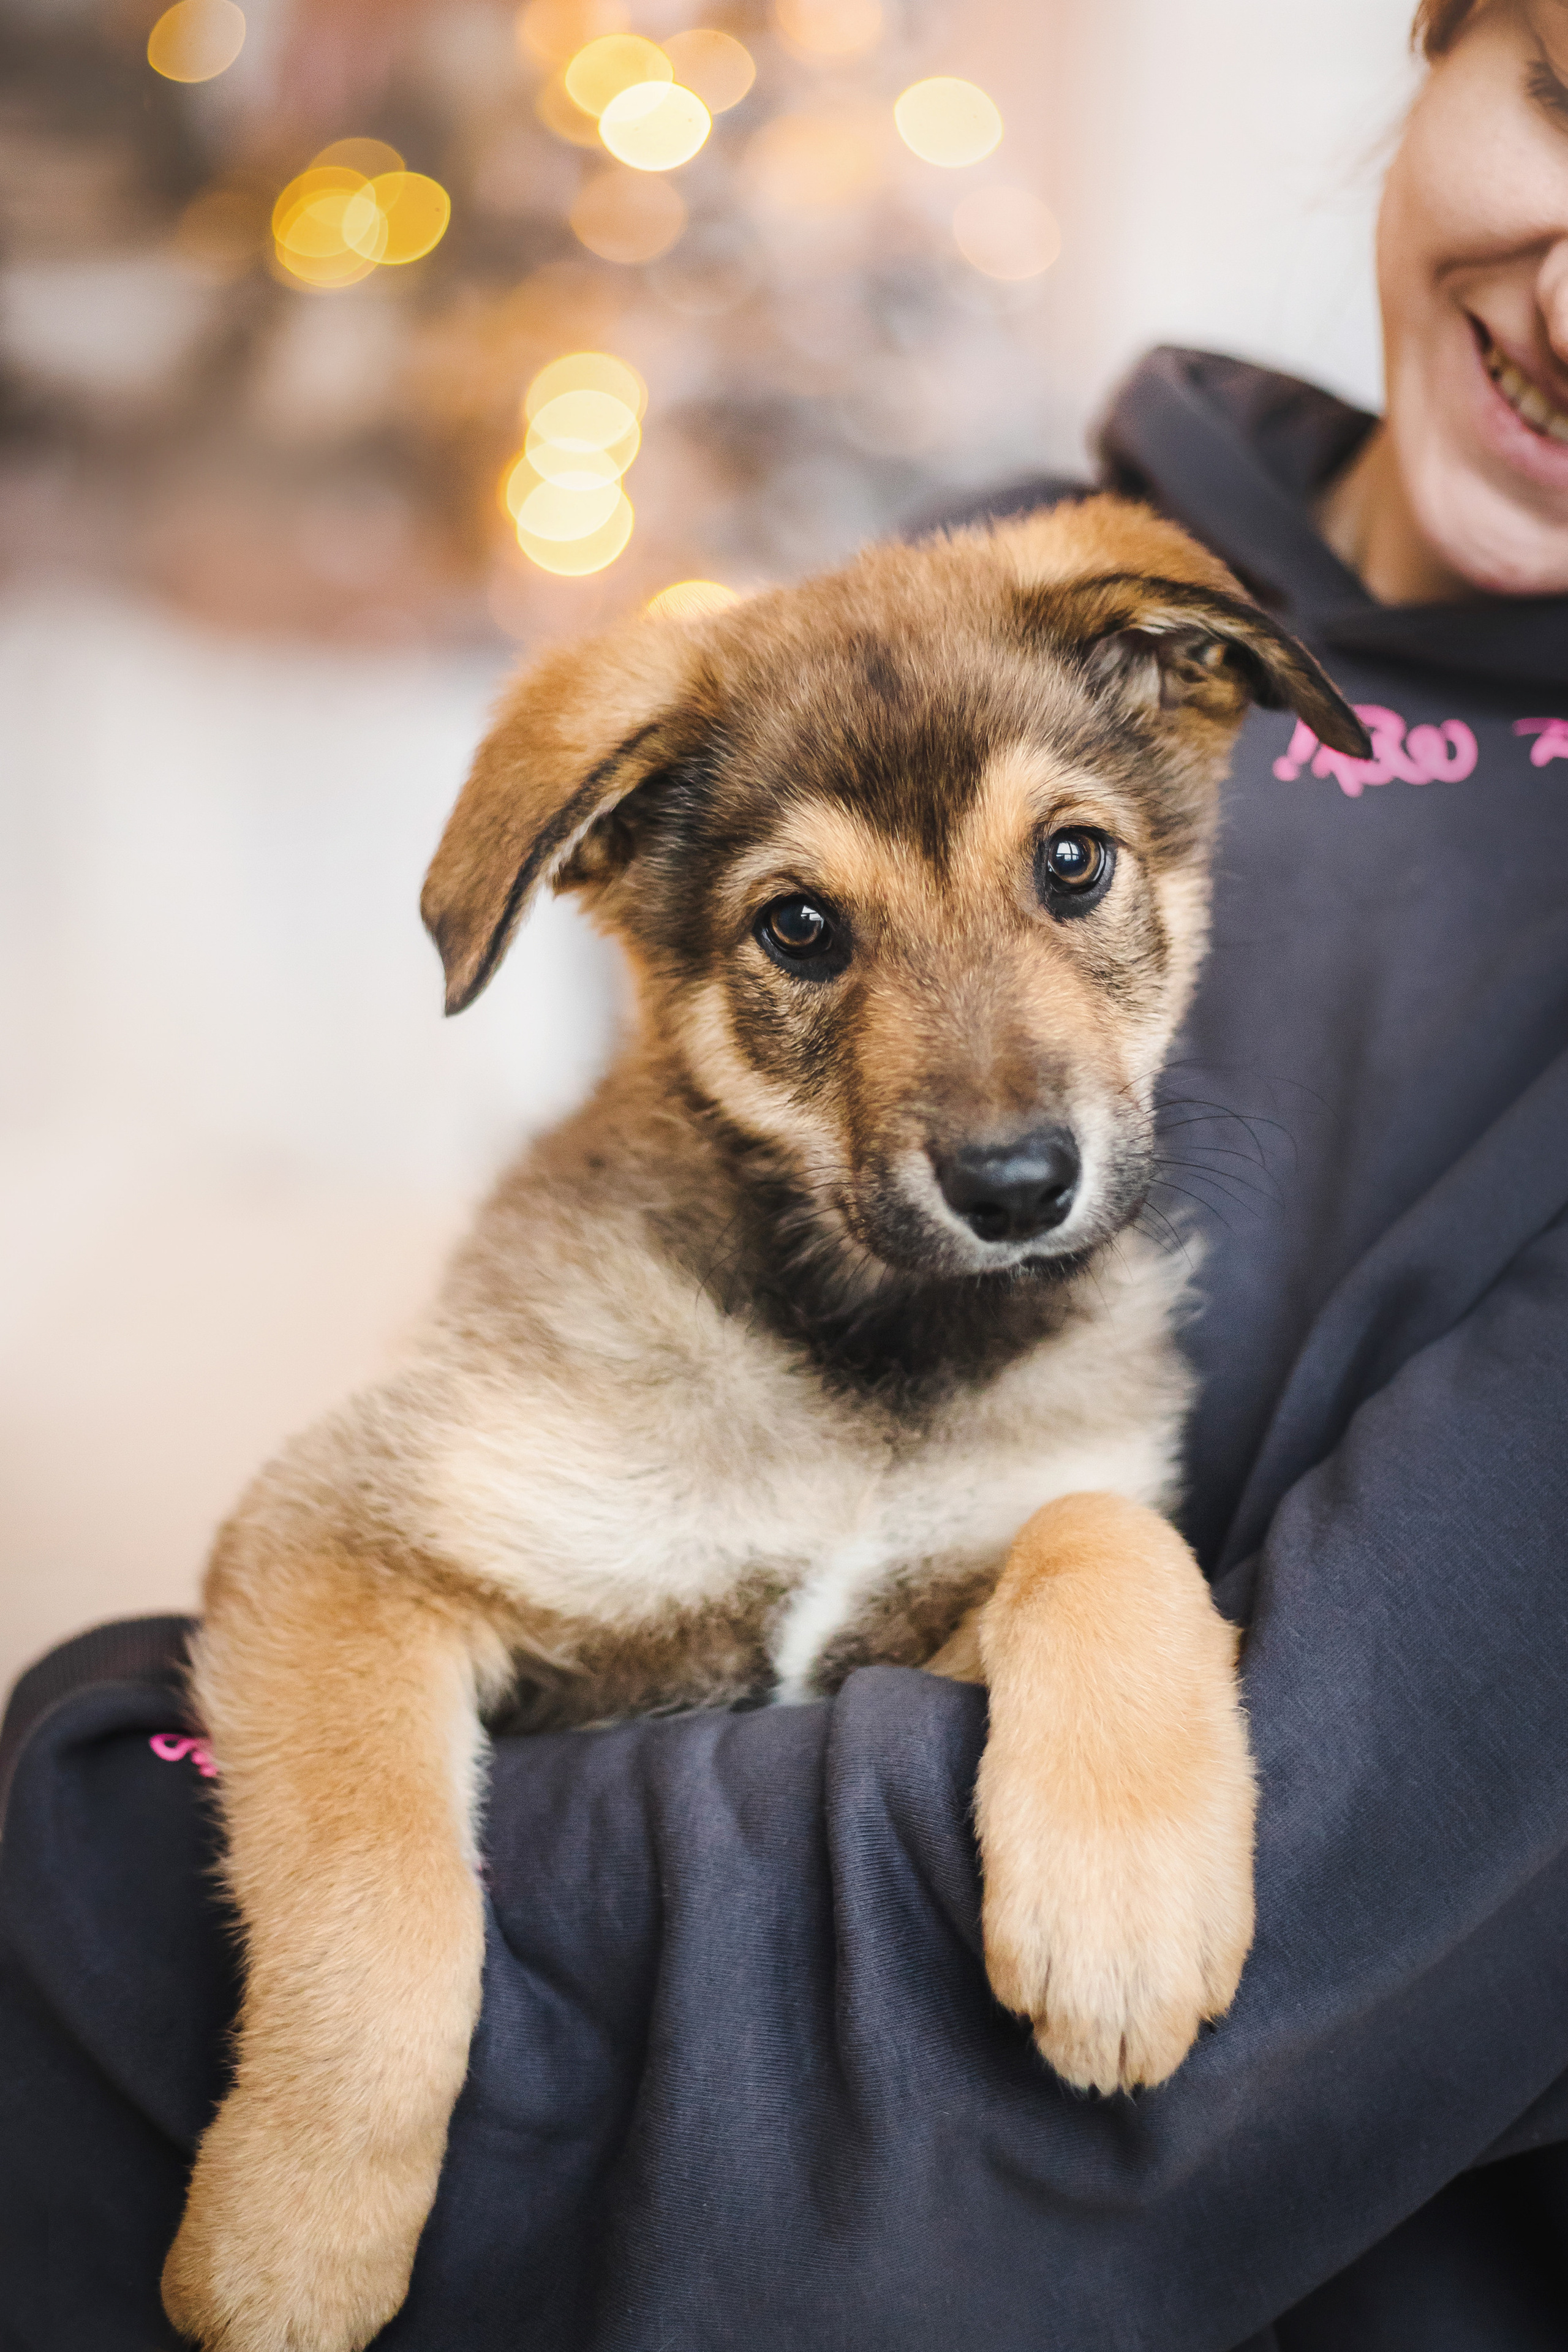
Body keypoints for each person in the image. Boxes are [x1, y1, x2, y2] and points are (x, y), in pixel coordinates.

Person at [3, 2, 1568, 2345]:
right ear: (1438, 47)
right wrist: (240, 1895)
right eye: (1566, 87)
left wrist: (1097, 1601)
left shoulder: (1148, 680)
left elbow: (1209, 2042)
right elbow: (345, 1581)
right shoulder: (969, 592)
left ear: (1203, 723)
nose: (1001, 1100)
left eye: (1067, 876)